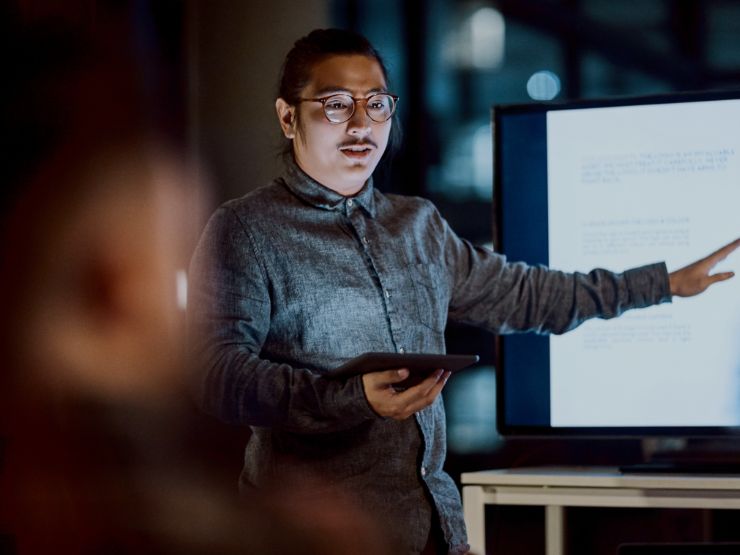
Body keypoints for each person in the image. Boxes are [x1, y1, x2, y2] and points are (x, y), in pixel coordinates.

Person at [187, 28, 739, 555]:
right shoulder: (246, 230)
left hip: (431, 534)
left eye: (376, 104)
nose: (361, 124)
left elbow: (526, 295)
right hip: (307, 540)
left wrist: (664, 283)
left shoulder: (417, 225)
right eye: (336, 104)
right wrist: (352, 398)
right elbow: (214, 374)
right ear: (288, 117)